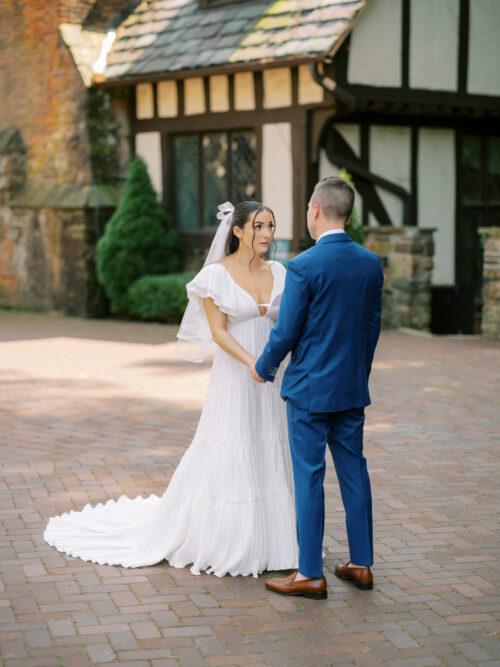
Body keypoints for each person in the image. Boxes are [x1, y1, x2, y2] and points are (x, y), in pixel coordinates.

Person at [43, 201, 298, 578]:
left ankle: (276, 541)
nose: (267, 234)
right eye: (258, 226)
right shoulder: (215, 275)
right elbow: (218, 333)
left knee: (269, 445)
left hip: (273, 377)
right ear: (238, 231)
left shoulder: (280, 271)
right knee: (234, 443)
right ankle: (230, 539)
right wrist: (251, 363)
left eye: (271, 226)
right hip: (237, 376)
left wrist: (272, 364)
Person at [253, 177, 383, 599]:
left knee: (309, 477)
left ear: (315, 210)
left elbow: (287, 330)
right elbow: (371, 329)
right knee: (354, 472)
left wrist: (264, 365)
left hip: (309, 390)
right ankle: (361, 563)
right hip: (350, 388)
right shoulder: (370, 263)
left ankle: (310, 572)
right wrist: (358, 374)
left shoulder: (304, 266)